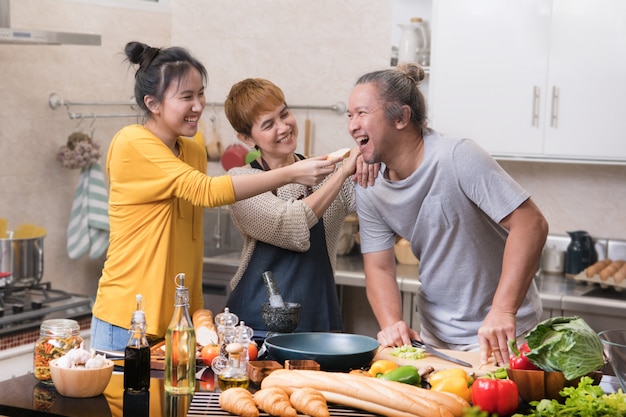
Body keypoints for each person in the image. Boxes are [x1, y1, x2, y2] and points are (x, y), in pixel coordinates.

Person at [90, 43, 338, 351]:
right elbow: (207, 192)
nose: (198, 106)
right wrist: (292, 173)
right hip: (127, 321)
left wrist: (198, 312)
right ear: (152, 103)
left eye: (200, 94)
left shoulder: (192, 150)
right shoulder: (133, 143)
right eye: (186, 97)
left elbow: (191, 241)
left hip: (177, 324)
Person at [347, 63, 549, 366]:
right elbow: (379, 267)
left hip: (505, 335)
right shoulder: (369, 185)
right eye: (349, 116)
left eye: (362, 113)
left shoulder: (457, 157)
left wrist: (503, 310)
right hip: (436, 341)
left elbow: (531, 224)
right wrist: (392, 324)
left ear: (401, 117)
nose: (352, 125)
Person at [222, 78, 361, 332]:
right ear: (246, 137)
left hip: (318, 323)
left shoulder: (328, 170)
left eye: (284, 114)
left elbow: (377, 199)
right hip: (255, 330)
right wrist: (342, 175)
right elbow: (291, 225)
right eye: (268, 124)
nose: (283, 127)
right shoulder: (241, 181)